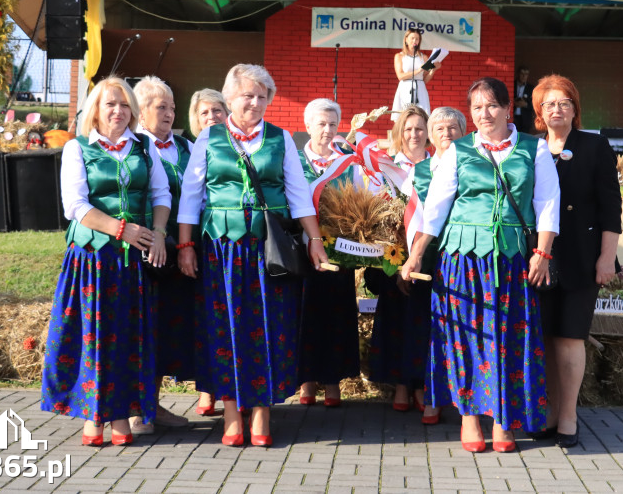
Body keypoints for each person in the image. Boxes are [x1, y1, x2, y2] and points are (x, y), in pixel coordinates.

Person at [401, 77, 559, 454]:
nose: (484, 114)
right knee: (465, 339)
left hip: (512, 260)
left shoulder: (533, 149)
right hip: (462, 260)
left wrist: (542, 252)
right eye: (476, 108)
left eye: (491, 106)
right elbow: (436, 208)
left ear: (508, 108)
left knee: (508, 339)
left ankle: (503, 419)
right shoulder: (458, 150)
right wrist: (417, 253)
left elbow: (548, 203)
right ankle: (470, 417)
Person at [176, 64, 329, 448]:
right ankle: (231, 410)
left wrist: (315, 240)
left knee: (268, 326)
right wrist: (185, 245)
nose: (256, 102)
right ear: (229, 99)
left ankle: (261, 410)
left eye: (263, 97)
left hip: (267, 250)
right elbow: (191, 199)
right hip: (221, 251)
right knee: (224, 327)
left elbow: (297, 194)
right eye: (248, 95)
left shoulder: (280, 140)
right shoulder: (208, 139)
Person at [42, 76, 170, 447]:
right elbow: (75, 206)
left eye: (125, 105)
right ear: (95, 110)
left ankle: (121, 415)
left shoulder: (145, 148)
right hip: (92, 259)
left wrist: (158, 233)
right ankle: (93, 416)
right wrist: (121, 229)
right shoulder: (77, 148)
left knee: (128, 338)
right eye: (109, 104)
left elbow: (161, 193)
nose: (117, 110)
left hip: (132, 263)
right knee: (93, 336)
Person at [531, 74, 621, 449]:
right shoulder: (530, 148)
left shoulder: (595, 146)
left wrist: (607, 258)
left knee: (569, 338)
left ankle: (568, 416)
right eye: (549, 104)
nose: (557, 109)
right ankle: (550, 412)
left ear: (575, 109)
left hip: (582, 258)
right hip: (538, 259)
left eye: (564, 103)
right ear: (538, 112)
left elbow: (611, 208)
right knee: (547, 339)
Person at [366, 106, 465, 424]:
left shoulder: (450, 165)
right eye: (408, 128)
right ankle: (403, 385)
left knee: (428, 323)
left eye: (420, 128)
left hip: (442, 255)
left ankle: (426, 386)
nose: (414, 134)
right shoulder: (389, 167)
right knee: (403, 320)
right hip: (399, 256)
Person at [126, 76, 194, 434]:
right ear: (141, 111)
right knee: (143, 328)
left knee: (166, 330)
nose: (169, 113)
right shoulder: (134, 147)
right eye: (160, 107)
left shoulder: (186, 147)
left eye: (171, 106)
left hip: (180, 254)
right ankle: (138, 410)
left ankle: (151, 404)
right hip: (144, 254)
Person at [297, 98, 360, 407]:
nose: (327, 129)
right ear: (308, 126)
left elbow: (361, 201)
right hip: (300, 249)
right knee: (304, 312)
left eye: (333, 124)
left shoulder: (348, 162)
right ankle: (306, 380)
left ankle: (332, 380)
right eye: (321, 123)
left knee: (335, 312)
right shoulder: (292, 160)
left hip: (338, 250)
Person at [186, 87, 229, 417]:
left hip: (224, 241)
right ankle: (206, 390)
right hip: (201, 238)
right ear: (196, 120)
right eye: (205, 113)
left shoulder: (233, 145)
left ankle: (224, 389)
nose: (212, 117)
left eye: (217, 110)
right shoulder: (195, 147)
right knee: (206, 319)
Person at [391, 29, 437, 121]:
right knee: (404, 116)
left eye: (417, 39)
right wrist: (418, 70)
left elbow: (425, 79)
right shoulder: (399, 56)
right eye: (412, 38)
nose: (414, 41)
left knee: (422, 116)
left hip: (420, 88)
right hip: (405, 87)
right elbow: (400, 76)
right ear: (406, 40)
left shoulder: (423, 57)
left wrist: (434, 69)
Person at [390, 104, 430, 171]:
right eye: (408, 129)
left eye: (419, 129)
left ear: (428, 132)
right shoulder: (386, 167)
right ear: (400, 133)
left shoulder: (438, 168)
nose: (414, 135)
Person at [514, 66, 534, 134]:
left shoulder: (531, 88)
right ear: (518, 74)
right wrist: (514, 102)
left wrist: (526, 104)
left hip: (525, 120)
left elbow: (535, 104)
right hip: (513, 118)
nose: (523, 76)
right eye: (522, 74)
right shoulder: (512, 85)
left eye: (526, 74)